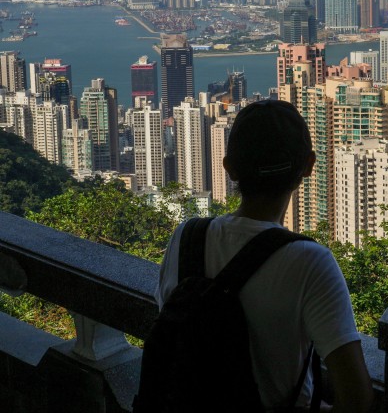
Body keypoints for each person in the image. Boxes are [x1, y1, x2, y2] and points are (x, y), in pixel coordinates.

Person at [155, 100, 374, 412]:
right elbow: (356, 397)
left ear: (228, 167)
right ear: (309, 166)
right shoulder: (311, 263)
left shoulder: (186, 236)